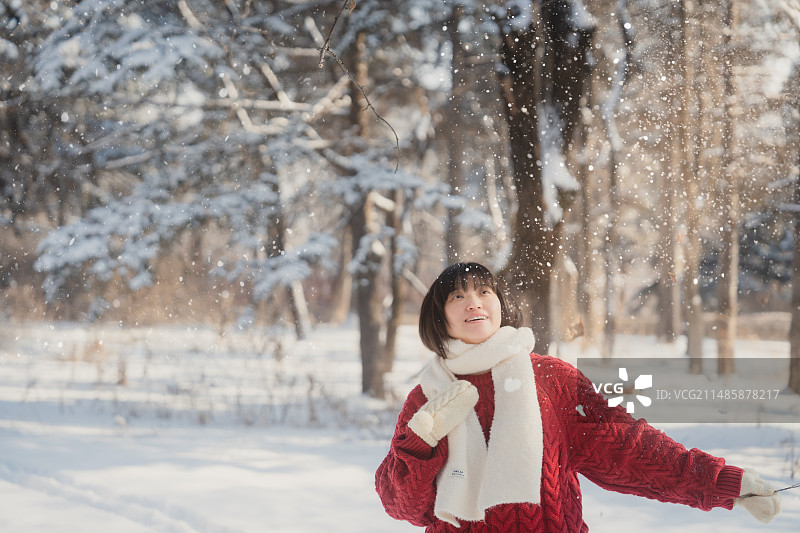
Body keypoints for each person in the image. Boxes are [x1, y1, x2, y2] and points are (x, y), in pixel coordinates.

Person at [375, 262, 782, 532]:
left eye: (484, 291)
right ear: (440, 315)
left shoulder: (551, 380)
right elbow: (404, 506)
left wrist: (720, 482)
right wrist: (418, 443)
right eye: (457, 296)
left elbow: (629, 448)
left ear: (500, 304)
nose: (474, 302)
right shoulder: (428, 396)